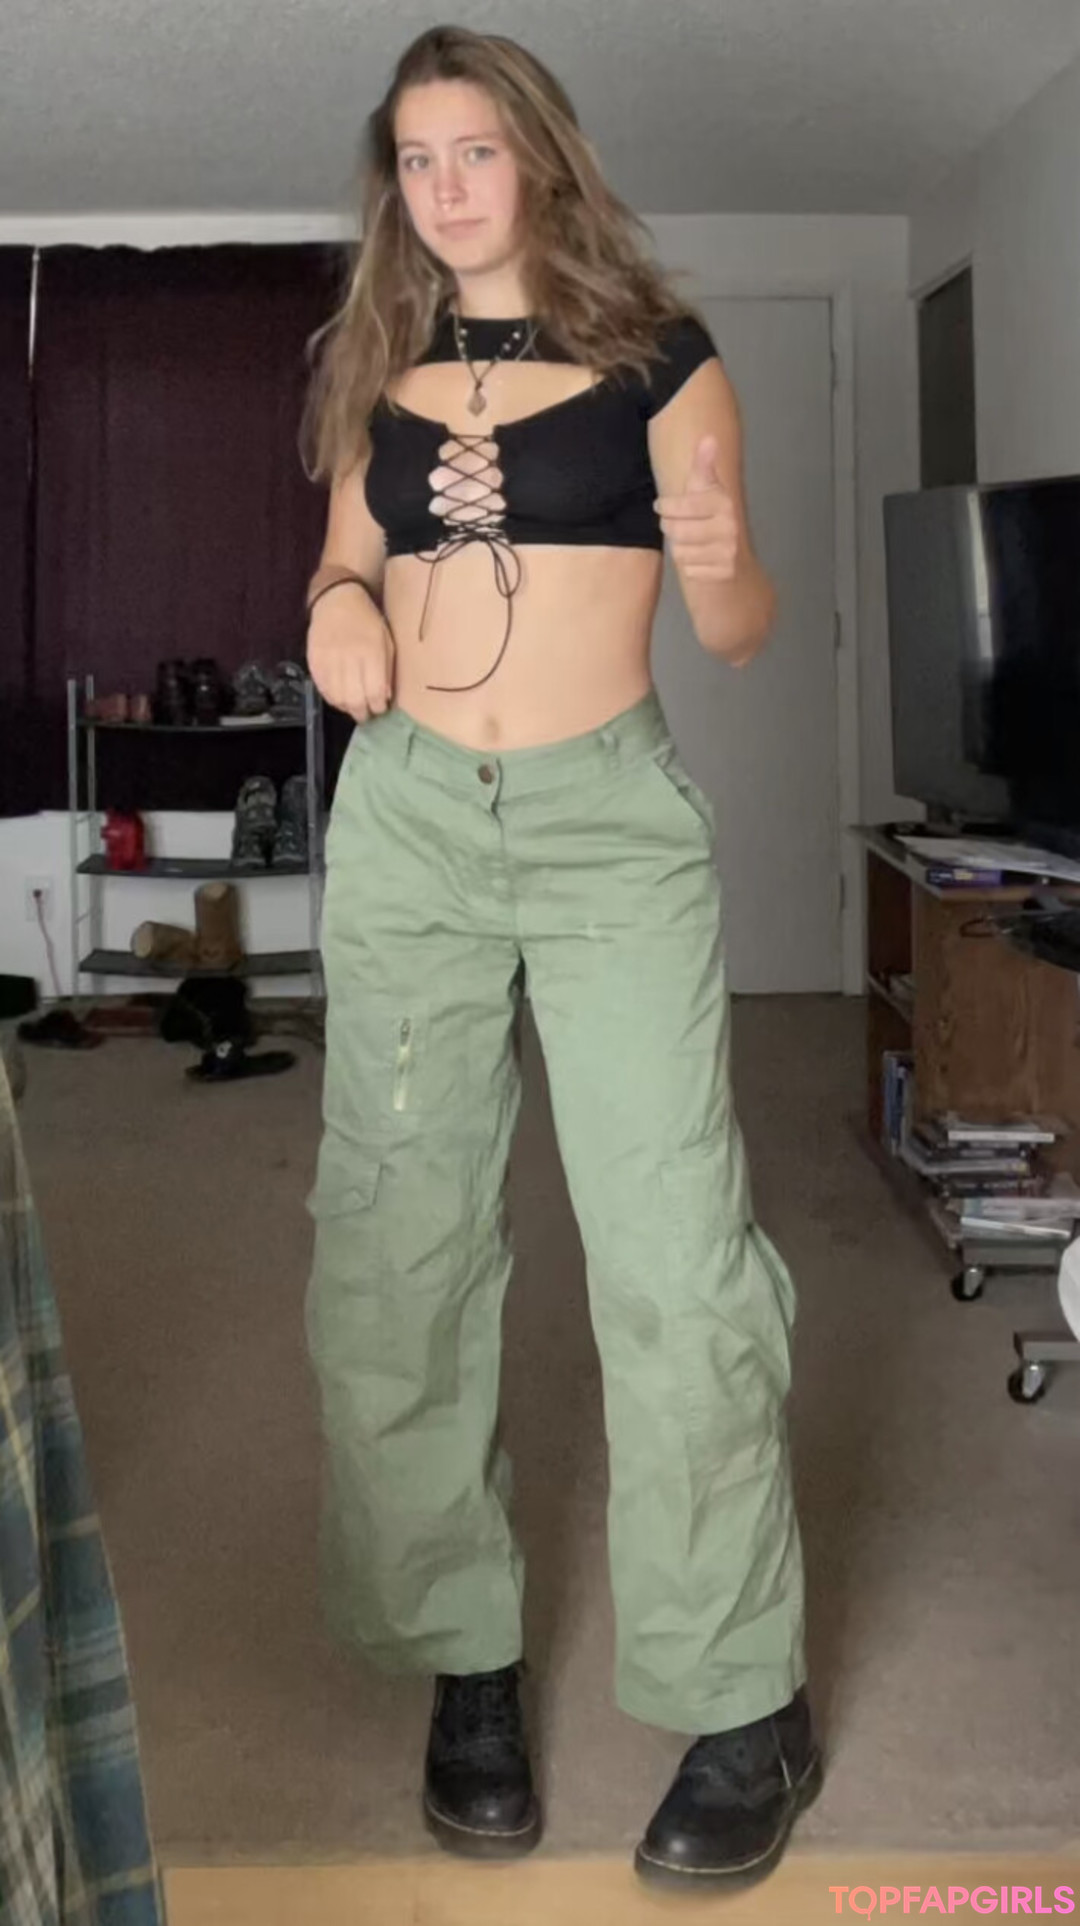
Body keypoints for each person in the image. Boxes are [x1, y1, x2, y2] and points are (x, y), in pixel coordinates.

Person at [300, 23, 820, 1894]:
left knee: (677, 1252)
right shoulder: (375, 362)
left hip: (607, 822)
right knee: (400, 1241)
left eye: (475, 151)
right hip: (412, 824)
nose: (446, 188)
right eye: (416, 159)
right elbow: (337, 569)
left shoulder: (663, 353)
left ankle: (747, 1693)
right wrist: (342, 609)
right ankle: (469, 1660)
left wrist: (721, 550)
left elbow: (739, 625)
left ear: (538, 155)